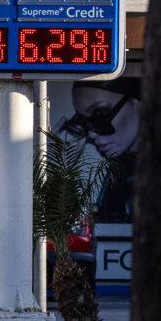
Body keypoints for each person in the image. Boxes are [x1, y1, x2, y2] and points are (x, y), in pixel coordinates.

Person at [60, 79, 141, 223]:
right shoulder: (120, 170)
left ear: (137, 104)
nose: (91, 133)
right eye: (82, 121)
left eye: (99, 114)